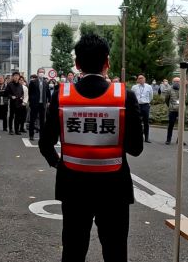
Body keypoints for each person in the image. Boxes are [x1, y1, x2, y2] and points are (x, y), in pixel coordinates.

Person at [39, 34, 143, 262]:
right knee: (115, 252)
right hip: (114, 188)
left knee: (73, 251)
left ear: (77, 65)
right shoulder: (125, 96)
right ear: (107, 62)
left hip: (73, 186)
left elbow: (45, 143)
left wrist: (60, 163)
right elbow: (136, 148)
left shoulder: (62, 95)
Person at [28, 69, 49, 141]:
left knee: (42, 121)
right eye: (40, 72)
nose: (41, 73)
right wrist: (30, 102)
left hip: (42, 104)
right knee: (32, 120)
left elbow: (48, 93)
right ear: (37, 73)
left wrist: (48, 101)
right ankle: (31, 135)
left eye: (43, 72)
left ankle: (42, 135)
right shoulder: (33, 82)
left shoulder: (46, 82)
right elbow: (29, 93)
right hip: (34, 104)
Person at [132, 74, 153, 143]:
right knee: (137, 121)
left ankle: (146, 137)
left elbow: (151, 96)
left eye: (142, 78)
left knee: (146, 122)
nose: (140, 79)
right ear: (137, 80)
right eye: (139, 78)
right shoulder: (134, 87)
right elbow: (132, 97)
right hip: (137, 105)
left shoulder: (149, 87)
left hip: (145, 105)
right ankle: (137, 137)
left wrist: (148, 102)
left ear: (145, 79)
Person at [164, 77, 182, 145]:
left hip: (181, 110)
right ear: (172, 82)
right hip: (172, 110)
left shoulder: (183, 89)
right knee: (171, 125)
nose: (176, 83)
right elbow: (166, 100)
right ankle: (168, 139)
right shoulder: (169, 90)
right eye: (175, 81)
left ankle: (180, 139)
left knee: (181, 126)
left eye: (178, 81)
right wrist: (170, 106)